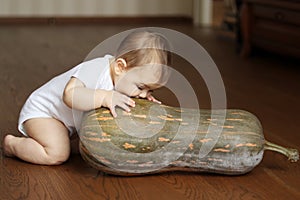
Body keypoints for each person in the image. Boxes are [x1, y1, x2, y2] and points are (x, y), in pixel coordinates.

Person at [3, 30, 172, 165]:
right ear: (120, 67)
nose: (143, 94)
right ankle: (13, 145)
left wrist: (144, 100)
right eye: (141, 87)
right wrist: (104, 96)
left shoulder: (124, 80)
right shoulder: (96, 69)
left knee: (81, 150)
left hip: (69, 123)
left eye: (151, 90)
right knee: (57, 153)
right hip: (45, 114)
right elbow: (69, 95)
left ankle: (64, 140)